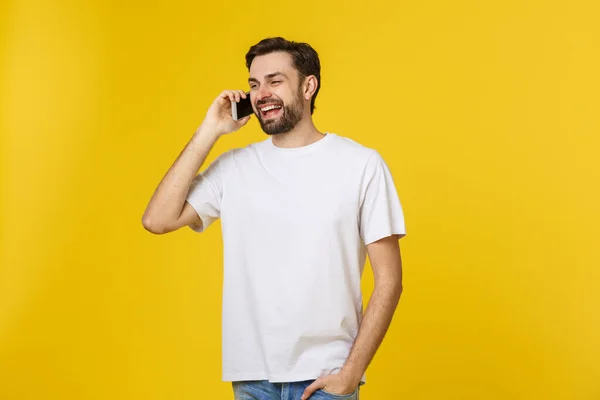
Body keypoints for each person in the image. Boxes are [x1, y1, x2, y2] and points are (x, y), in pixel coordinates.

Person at [142, 37, 406, 400]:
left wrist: (352, 373)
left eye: (275, 81)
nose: (261, 93)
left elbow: (389, 280)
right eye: (254, 84)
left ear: (308, 86)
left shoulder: (361, 165)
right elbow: (157, 219)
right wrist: (210, 130)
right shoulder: (233, 168)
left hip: (326, 378)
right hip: (252, 380)